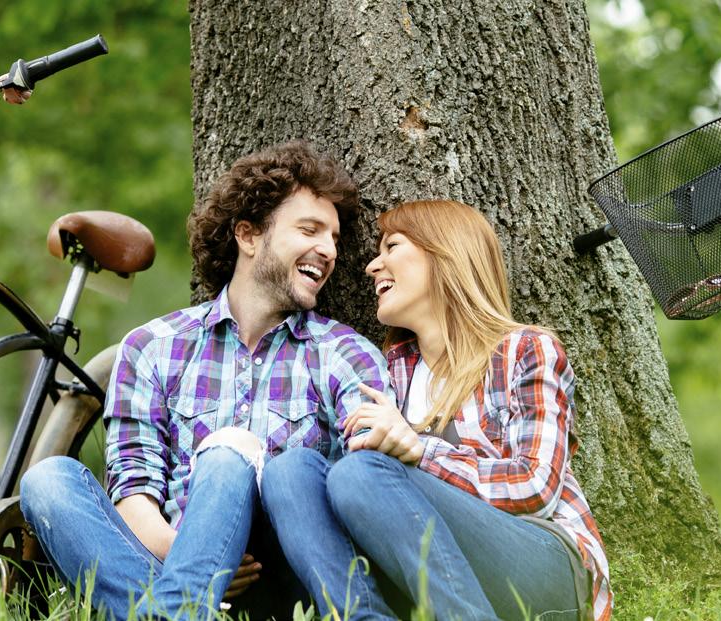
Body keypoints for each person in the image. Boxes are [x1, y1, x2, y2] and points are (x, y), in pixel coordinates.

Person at [19, 141, 397, 620]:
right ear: (248, 235)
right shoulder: (151, 346)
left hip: (278, 578)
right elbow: (134, 486)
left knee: (228, 452)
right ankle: (180, 607)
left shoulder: (345, 354)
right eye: (309, 229)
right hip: (164, 558)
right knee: (47, 480)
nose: (328, 250)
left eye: (335, 239)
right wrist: (194, 553)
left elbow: (363, 482)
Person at [261, 200, 613, 620]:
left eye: (392, 246)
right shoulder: (391, 369)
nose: (373, 266)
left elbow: (534, 487)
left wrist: (419, 450)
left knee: (362, 472)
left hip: (540, 565)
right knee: (291, 471)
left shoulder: (525, 350)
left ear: (445, 251)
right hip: (426, 577)